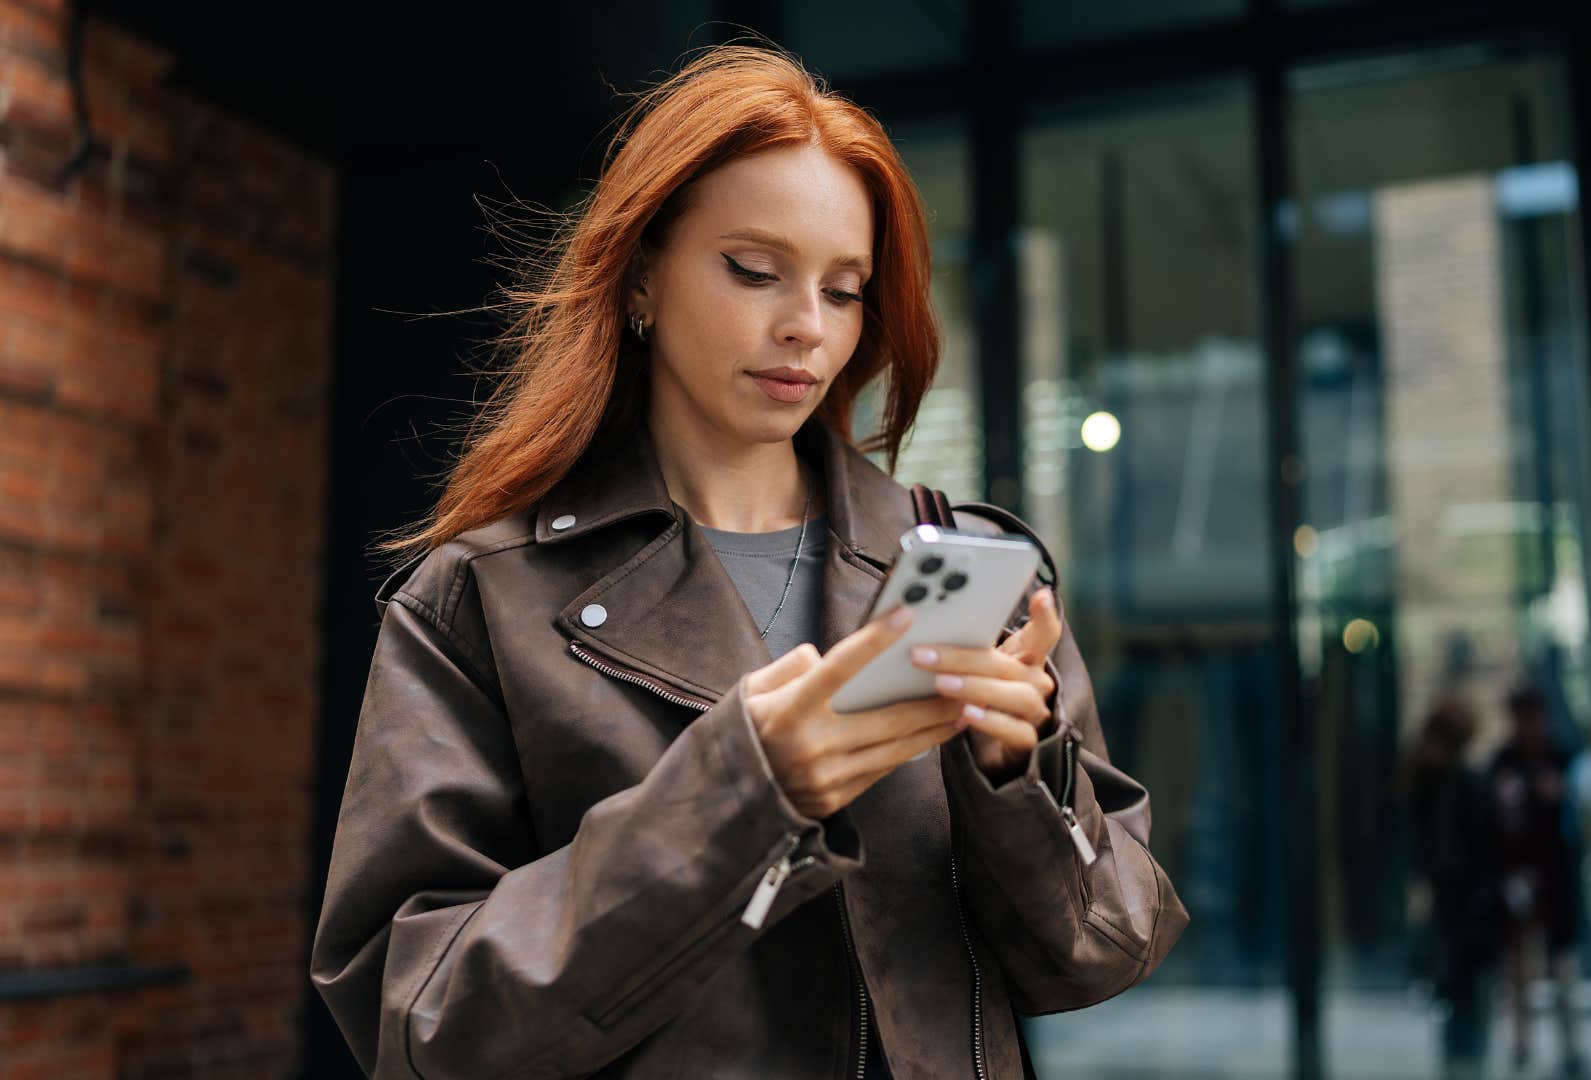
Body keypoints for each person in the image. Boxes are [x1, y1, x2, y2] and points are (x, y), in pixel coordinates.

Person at [308, 43, 1188, 1079]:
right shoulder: (481, 598)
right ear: (642, 273)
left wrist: (1015, 775)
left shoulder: (972, 573)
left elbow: (1105, 949)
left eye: (845, 290)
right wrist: (742, 791)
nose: (805, 327)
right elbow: (419, 1019)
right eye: (755, 271)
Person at [1401, 696, 1499, 1080]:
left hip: (1469, 904)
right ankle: (1459, 1061)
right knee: (1455, 989)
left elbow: (1483, 848)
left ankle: (1465, 1061)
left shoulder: (1468, 786)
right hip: (1450, 903)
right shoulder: (1427, 786)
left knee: (1468, 991)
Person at [1489, 686, 1584, 1078]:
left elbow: (1577, 815)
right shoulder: (1504, 761)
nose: (1529, 726)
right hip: (1518, 876)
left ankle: (1571, 1047)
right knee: (1518, 967)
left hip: (1556, 875)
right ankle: (1521, 1044)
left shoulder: (1561, 756)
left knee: (1563, 964)